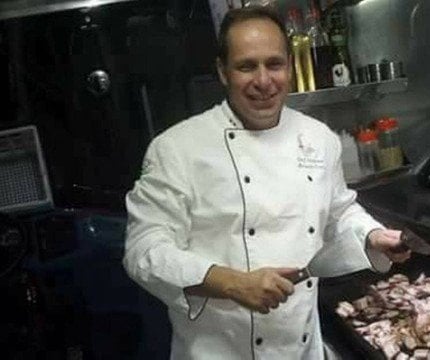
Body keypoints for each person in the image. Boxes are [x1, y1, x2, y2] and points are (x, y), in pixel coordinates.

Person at [123, 6, 410, 360]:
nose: (263, 81)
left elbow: (338, 211)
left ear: (290, 66)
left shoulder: (318, 138)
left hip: (303, 348)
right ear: (222, 72)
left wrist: (371, 235)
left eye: (274, 64)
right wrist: (232, 283)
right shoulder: (177, 149)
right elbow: (144, 251)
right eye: (246, 66)